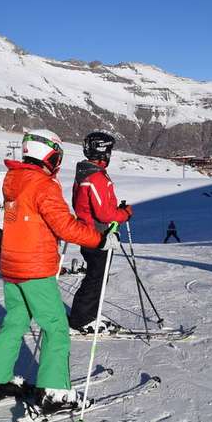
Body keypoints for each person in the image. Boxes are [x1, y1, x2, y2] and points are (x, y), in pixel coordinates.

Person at [0, 129, 119, 413]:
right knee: (56, 327)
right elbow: (64, 226)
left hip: (12, 266)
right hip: (34, 267)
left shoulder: (14, 179)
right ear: (49, 153)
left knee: (15, 323)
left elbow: (35, 219)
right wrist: (99, 239)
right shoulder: (43, 185)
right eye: (56, 155)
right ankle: (54, 392)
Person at [69, 131, 132, 334]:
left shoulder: (83, 174)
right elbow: (105, 214)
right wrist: (124, 213)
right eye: (110, 150)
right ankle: (83, 318)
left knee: (95, 276)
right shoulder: (96, 176)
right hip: (98, 236)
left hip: (86, 232)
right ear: (104, 151)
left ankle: (87, 314)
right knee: (97, 277)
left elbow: (79, 204)